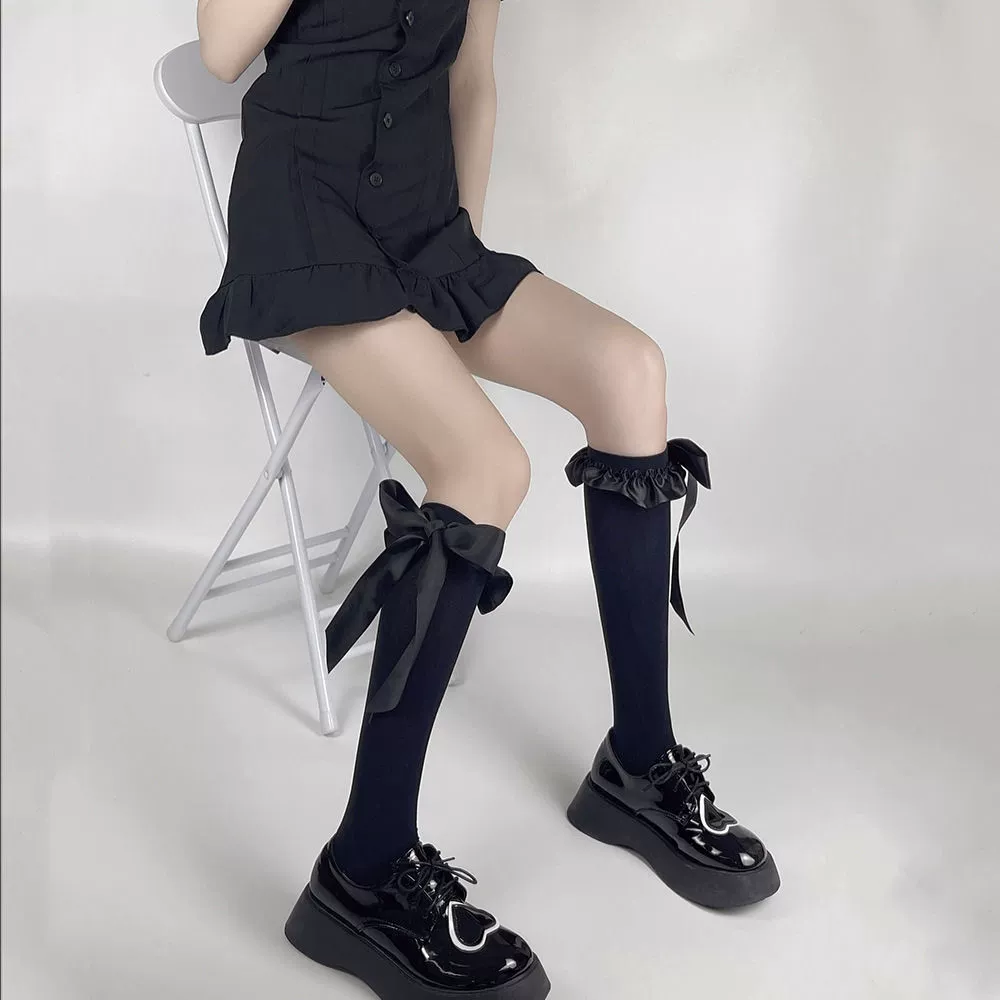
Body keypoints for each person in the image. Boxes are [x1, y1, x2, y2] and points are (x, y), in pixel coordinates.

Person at [196, 1, 780, 997]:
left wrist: (455, 251)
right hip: (303, 232)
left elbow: (472, 78)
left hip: (424, 231)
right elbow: (220, 51)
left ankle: (637, 767)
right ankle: (362, 869)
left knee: (629, 371)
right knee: (485, 466)